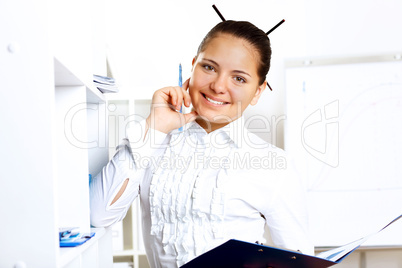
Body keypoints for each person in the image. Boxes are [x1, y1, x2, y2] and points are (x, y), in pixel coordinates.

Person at [90, 20, 314, 267]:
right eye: (209, 67)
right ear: (193, 65)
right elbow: (98, 215)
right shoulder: (151, 140)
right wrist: (154, 127)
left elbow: (299, 261)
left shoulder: (275, 165)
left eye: (239, 79)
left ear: (258, 92)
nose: (218, 86)